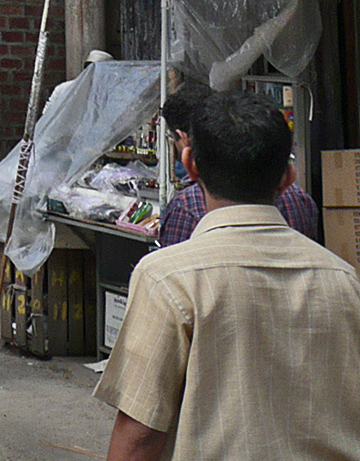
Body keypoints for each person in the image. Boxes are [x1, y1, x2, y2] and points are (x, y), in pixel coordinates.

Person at [97, 90, 360, 461]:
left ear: (190, 164)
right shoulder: (344, 280)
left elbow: (139, 436)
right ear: (288, 176)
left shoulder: (168, 279)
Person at [158, 78, 319, 243]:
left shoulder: (185, 208)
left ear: (190, 162)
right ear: (289, 175)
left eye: (172, 138)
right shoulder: (301, 200)